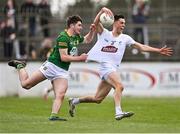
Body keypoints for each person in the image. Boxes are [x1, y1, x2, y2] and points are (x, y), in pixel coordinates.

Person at [68, 7, 173, 120]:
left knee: (97, 99)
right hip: (105, 67)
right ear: (115, 22)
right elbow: (96, 22)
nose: (123, 25)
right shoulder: (104, 33)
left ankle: (74, 101)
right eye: (121, 22)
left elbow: (141, 47)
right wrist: (101, 11)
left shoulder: (125, 38)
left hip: (112, 69)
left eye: (124, 23)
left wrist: (158, 50)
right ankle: (118, 112)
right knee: (119, 86)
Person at [8, 15, 96, 121]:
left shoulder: (75, 37)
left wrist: (92, 31)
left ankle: (53, 116)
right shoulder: (63, 37)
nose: (81, 27)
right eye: (79, 25)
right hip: (51, 66)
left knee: (60, 94)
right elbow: (63, 57)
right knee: (26, 85)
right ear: (72, 25)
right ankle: (20, 66)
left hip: (62, 71)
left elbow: (87, 39)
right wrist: (80, 58)